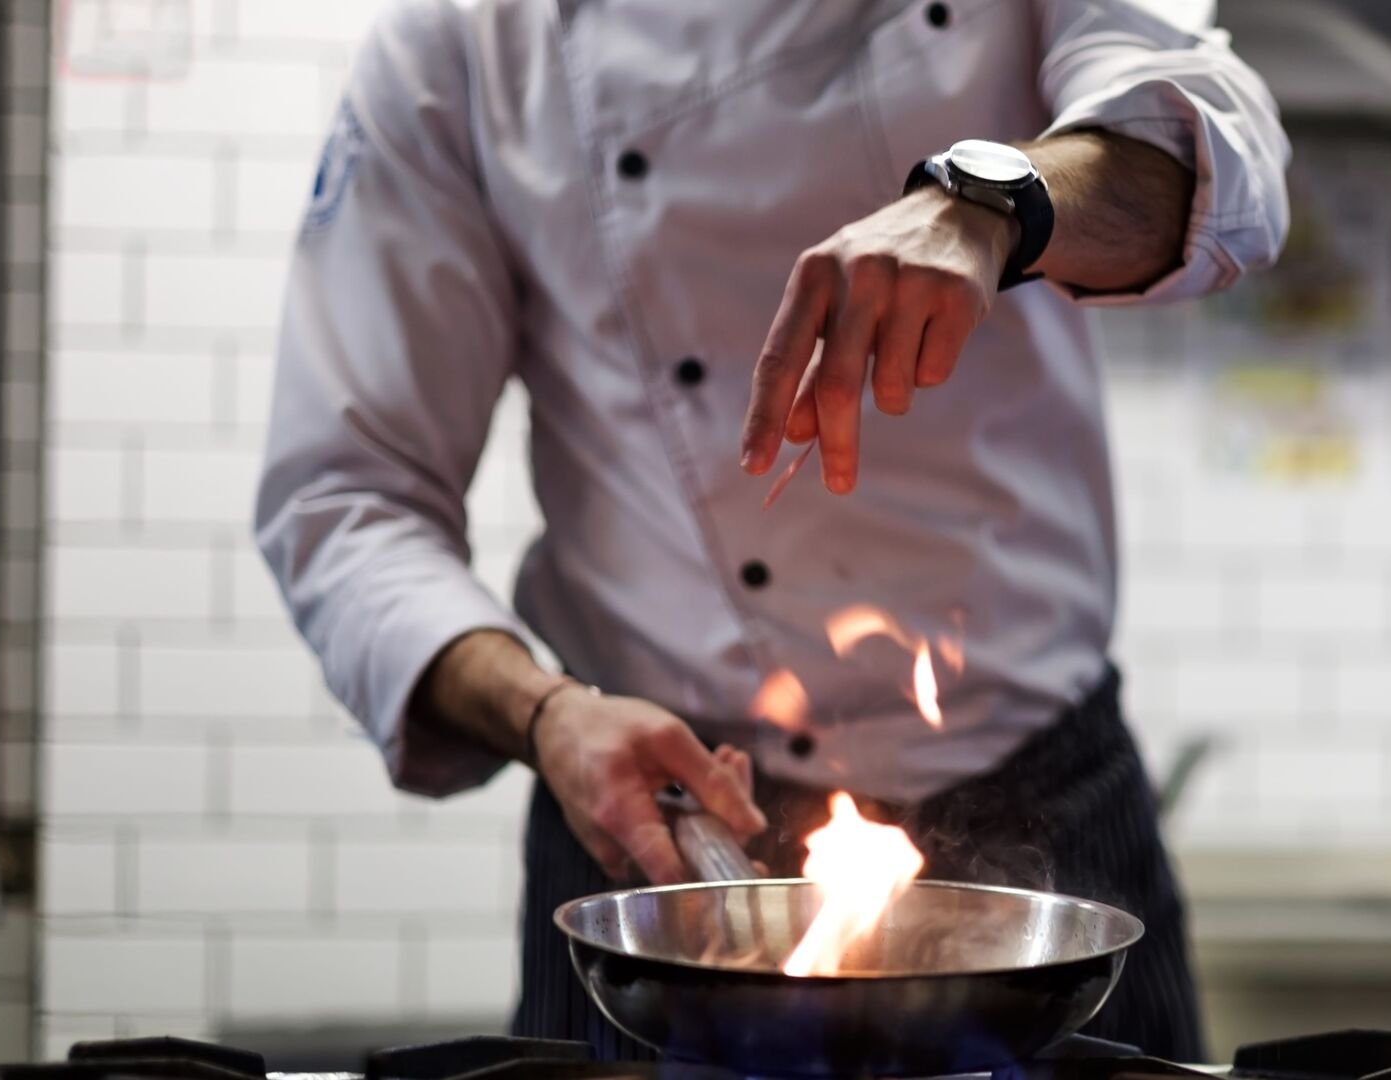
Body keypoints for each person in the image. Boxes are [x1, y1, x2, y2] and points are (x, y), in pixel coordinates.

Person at [256, 0, 1287, 1061]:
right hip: (661, 844)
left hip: (1046, 824)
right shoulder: (467, 43)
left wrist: (995, 202)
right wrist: (545, 715)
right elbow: (347, 496)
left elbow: (1226, 151)